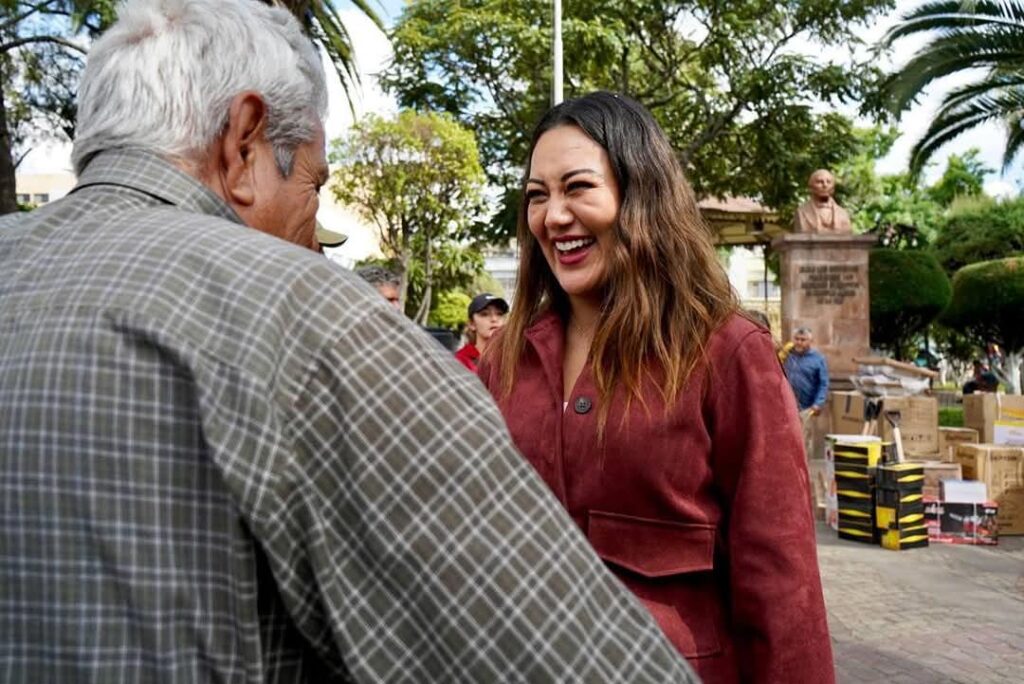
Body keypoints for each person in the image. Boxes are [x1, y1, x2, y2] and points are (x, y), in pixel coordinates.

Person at [0, 5, 698, 683]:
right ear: (244, 141)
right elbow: (561, 656)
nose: (313, 231)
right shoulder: (303, 312)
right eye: (312, 183)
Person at [479, 91, 833, 683]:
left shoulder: (726, 352)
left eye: (578, 188)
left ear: (640, 196)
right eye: (537, 196)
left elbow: (781, 580)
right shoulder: (507, 360)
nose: (553, 216)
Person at [784, 327, 830, 457]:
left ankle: (802, 474)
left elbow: (823, 383)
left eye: (803, 340)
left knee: (802, 443)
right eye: (797, 339)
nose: (799, 342)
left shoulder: (818, 359)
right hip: (786, 406)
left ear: (810, 341)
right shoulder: (788, 355)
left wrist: (818, 403)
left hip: (806, 408)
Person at [454, 293, 509, 371]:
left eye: (499, 314)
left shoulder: (512, 358)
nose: (494, 319)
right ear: (472, 324)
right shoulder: (460, 361)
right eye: (485, 314)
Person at [793, 169, 852, 233]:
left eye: (828, 182)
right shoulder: (802, 212)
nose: (825, 185)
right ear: (811, 187)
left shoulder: (843, 214)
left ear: (833, 188)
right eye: (820, 182)